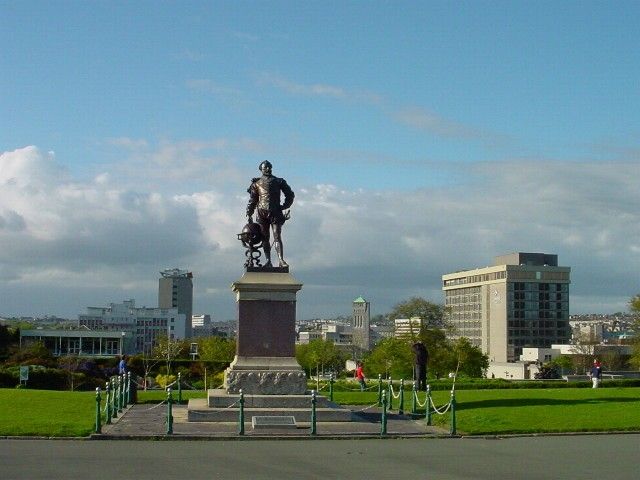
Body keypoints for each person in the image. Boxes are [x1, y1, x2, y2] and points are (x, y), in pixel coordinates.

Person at [246, 160, 295, 268]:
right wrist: (249, 212)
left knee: (277, 236)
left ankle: (281, 260)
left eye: (269, 167)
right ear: (261, 170)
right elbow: (253, 199)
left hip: (275, 211)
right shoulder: (256, 183)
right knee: (265, 237)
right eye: (265, 168)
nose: (268, 169)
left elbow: (290, 194)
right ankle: (268, 261)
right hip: (261, 212)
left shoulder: (279, 181)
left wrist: (285, 206)